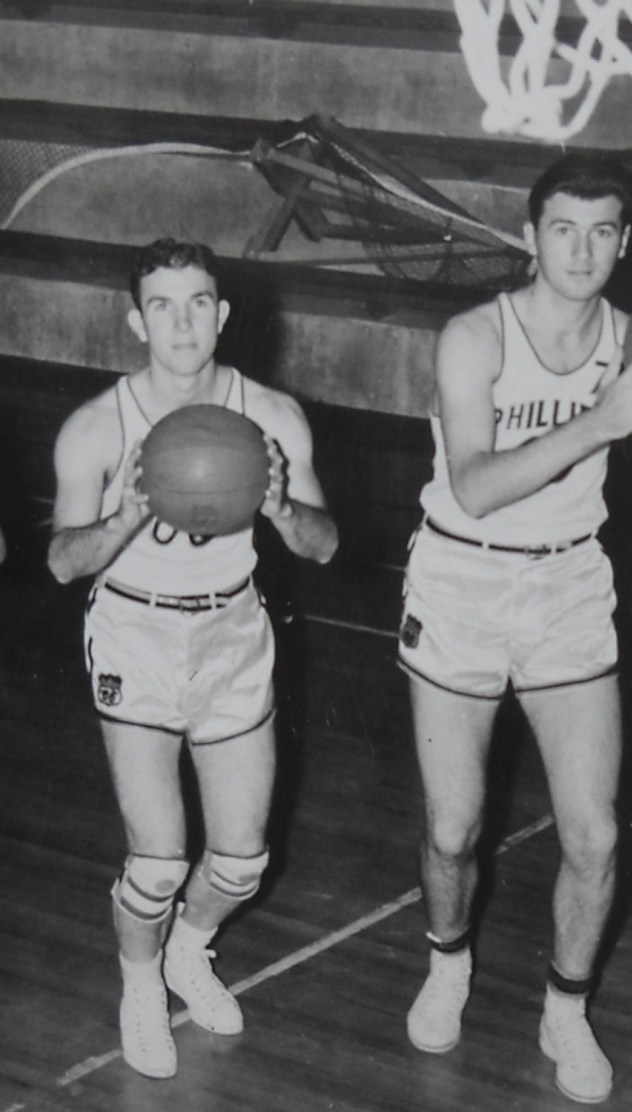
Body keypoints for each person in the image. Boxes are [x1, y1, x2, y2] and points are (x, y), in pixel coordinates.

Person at [398, 154, 632, 1104]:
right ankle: (447, 962)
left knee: (592, 833)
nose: (581, 251)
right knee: (454, 829)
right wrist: (600, 421)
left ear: (624, 244)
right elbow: (478, 484)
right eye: (563, 230)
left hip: (568, 588)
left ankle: (565, 1009)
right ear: (531, 237)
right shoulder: (474, 337)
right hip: (461, 578)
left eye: (602, 232)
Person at [47, 238, 338, 1080]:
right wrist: (127, 515)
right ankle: (141, 984)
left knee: (243, 861)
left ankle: (188, 949)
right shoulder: (99, 426)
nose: (183, 322)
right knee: (160, 856)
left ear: (224, 313)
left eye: (199, 302)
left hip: (234, 633)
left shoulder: (274, 416)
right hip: (136, 636)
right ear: (137, 319)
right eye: (164, 305)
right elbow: (64, 561)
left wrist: (284, 508)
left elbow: (323, 547)